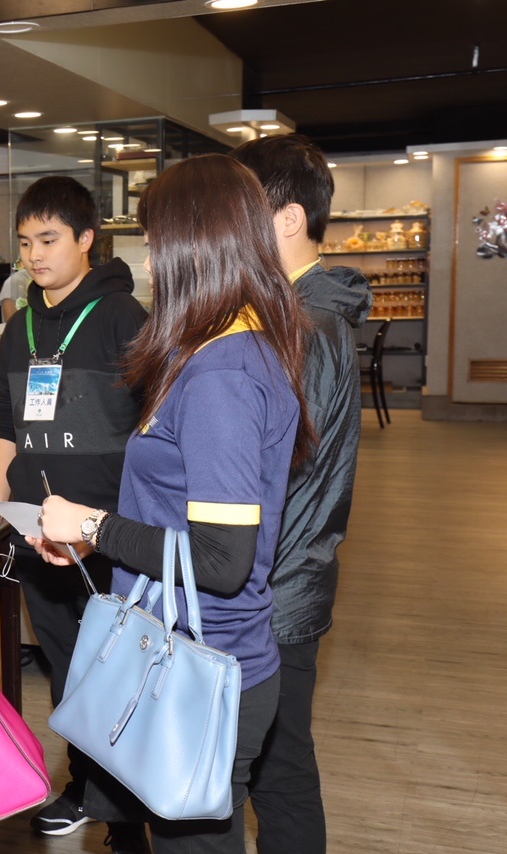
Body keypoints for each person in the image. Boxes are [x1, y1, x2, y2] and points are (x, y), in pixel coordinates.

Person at [31, 154, 316, 854]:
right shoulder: (225, 350)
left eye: (157, 242)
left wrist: (92, 523)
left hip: (202, 670)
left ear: (196, 244)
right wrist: (100, 537)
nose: (152, 261)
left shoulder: (222, 374)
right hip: (197, 657)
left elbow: (221, 560)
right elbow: (186, 516)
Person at [0, 175, 148, 849]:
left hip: (108, 538)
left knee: (121, 675)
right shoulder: (18, 328)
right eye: (25, 243)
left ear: (86, 239)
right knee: (68, 674)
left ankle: (129, 816)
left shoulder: (124, 318)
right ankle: (84, 787)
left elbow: (152, 430)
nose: (34, 255)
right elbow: (7, 426)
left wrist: (122, 526)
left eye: (48, 240)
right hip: (36, 537)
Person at [232, 134, 372, 854]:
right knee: (276, 769)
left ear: (287, 218)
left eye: (242, 209)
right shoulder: (295, 312)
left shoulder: (305, 326)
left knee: (278, 774)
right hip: (282, 578)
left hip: (276, 589)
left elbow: (272, 471)